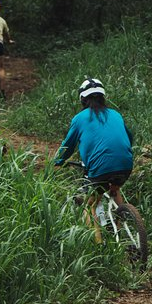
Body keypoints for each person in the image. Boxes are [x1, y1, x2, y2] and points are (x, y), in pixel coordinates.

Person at [53, 78, 134, 240]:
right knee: (114, 188)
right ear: (103, 97)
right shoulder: (115, 114)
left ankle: (99, 247)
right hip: (125, 163)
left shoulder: (80, 118)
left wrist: (57, 162)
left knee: (88, 206)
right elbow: (129, 138)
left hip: (100, 169)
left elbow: (67, 146)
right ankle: (120, 229)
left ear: (82, 99)